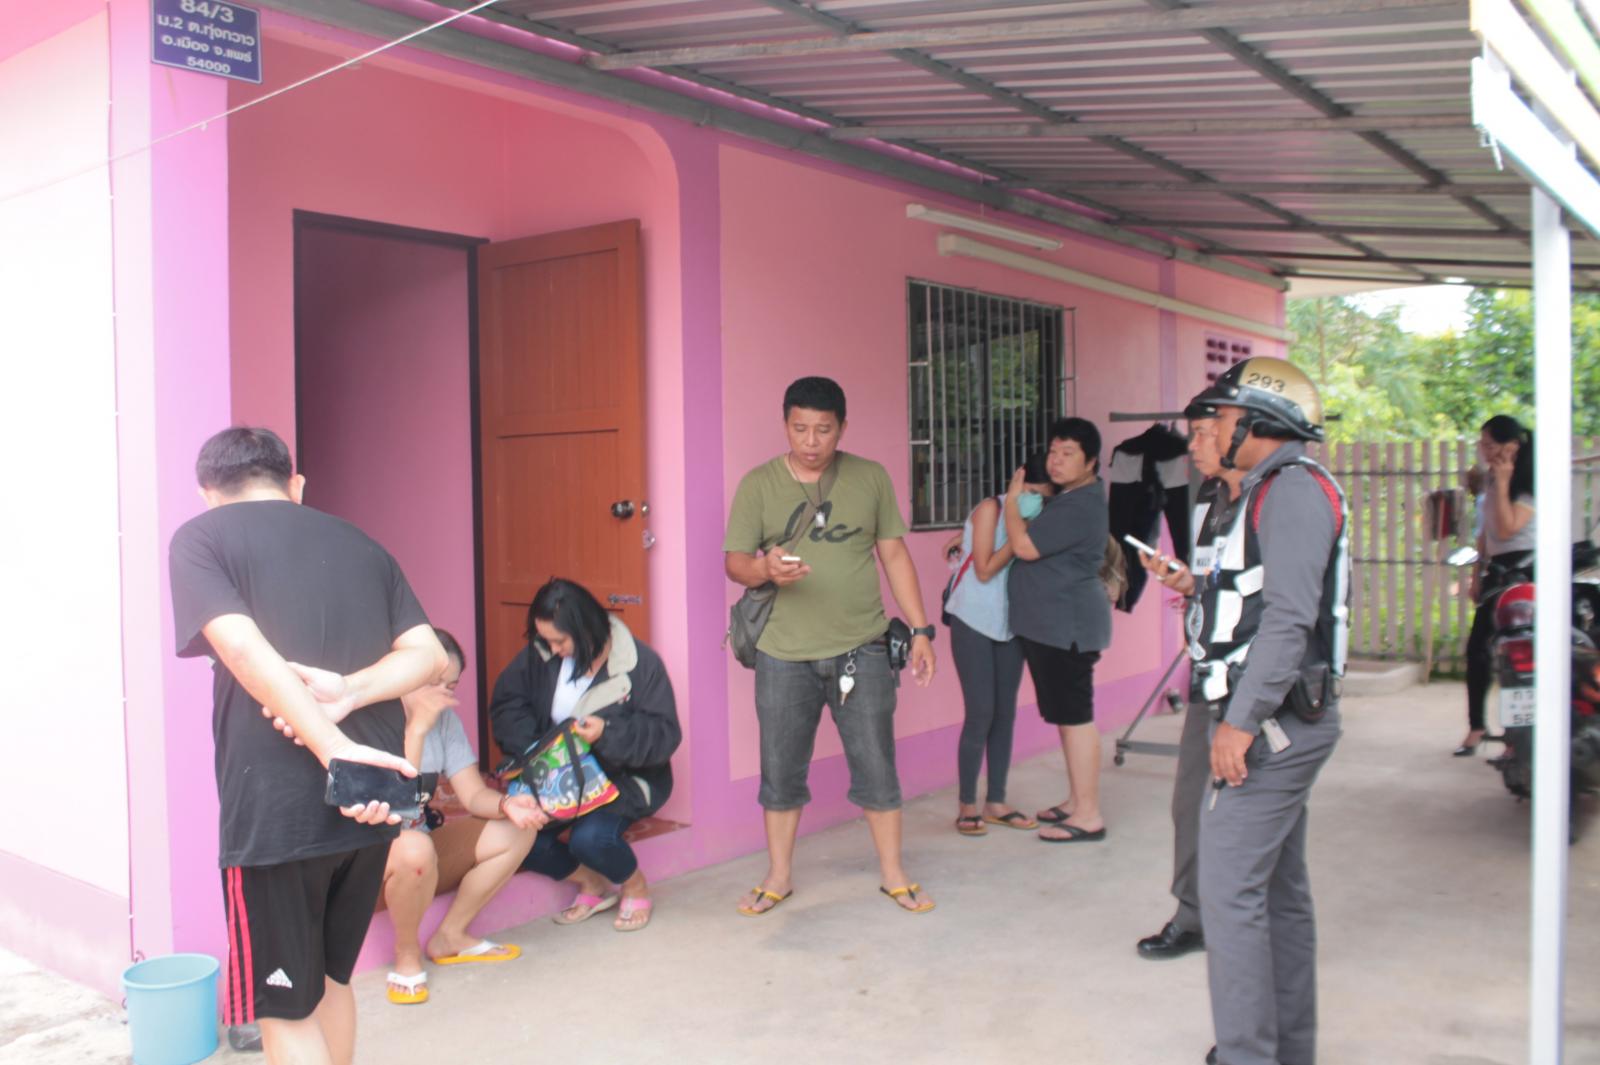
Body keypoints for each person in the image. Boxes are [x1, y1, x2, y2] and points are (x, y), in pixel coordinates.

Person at [168, 427, 448, 1065]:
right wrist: (350, 694)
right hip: (370, 802)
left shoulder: (200, 537)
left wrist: (332, 746)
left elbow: (242, 649)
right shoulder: (363, 544)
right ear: (294, 485)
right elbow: (428, 655)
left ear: (208, 494)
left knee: (283, 1008)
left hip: (277, 814)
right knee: (330, 980)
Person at [1145, 358, 1349, 1065]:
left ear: (1262, 422)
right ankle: (1285, 1050)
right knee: (1278, 892)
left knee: (1227, 889)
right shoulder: (1249, 492)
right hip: (1259, 714)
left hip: (1271, 723)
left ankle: (1247, 1053)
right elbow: (1250, 597)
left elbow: (1289, 621)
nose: (1204, 433)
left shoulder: (1292, 490)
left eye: (1220, 419)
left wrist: (1238, 722)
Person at [724, 376, 939, 915]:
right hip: (782, 653)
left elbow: (894, 556)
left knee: (877, 764)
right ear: (785, 424)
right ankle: (778, 876)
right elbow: (735, 562)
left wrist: (920, 630)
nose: (811, 441)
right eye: (800, 428)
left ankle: (893, 873)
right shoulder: (758, 485)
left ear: (842, 428)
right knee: (780, 769)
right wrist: (764, 569)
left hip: (861, 648)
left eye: (823, 429)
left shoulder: (870, 477)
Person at [489, 578, 681, 932]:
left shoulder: (639, 664)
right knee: (518, 838)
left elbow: (664, 735)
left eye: (560, 641)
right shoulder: (542, 654)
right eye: (546, 640)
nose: (553, 648)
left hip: (622, 779)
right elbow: (507, 704)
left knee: (590, 839)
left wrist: (607, 733)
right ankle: (591, 883)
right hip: (556, 778)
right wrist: (539, 753)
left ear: (586, 629)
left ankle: (634, 885)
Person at [1133, 401, 1245, 961]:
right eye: (1192, 434)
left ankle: (1252, 925)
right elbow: (1214, 580)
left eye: (1204, 434)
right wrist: (1185, 581)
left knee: (1253, 812)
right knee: (1190, 802)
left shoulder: (1275, 499)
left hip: (1259, 681)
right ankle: (1193, 915)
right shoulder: (1208, 499)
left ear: (1237, 433)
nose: (1193, 446)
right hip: (1210, 674)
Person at [1004, 417, 1113, 843]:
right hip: (1055, 627)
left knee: (1076, 718)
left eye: (1068, 454)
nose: (1056, 461)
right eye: (1053, 451)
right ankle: (1076, 800)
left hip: (1068, 627)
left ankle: (1089, 815)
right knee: (1067, 719)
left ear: (1091, 462)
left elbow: (1024, 547)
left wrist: (1012, 502)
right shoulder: (1069, 498)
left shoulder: (1080, 505)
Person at [941, 452, 1056, 836]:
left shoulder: (1042, 516)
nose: (1036, 501)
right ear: (1018, 480)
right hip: (972, 620)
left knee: (1005, 714)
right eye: (1032, 492)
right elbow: (985, 569)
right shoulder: (992, 508)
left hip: (1011, 623)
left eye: (1044, 496)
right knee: (981, 713)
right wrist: (1019, 531)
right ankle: (967, 805)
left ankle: (996, 801)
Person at [1457, 415, 1536, 756]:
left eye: (1490, 444)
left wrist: (1503, 484)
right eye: (1482, 444)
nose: (1484, 450)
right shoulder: (1491, 478)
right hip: (1498, 571)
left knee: (1520, 655)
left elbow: (1507, 528)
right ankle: (1477, 727)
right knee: (1478, 650)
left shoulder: (1530, 480)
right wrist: (1477, 573)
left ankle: (1518, 737)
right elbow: (1486, 531)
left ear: (1512, 446)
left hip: (1527, 571)